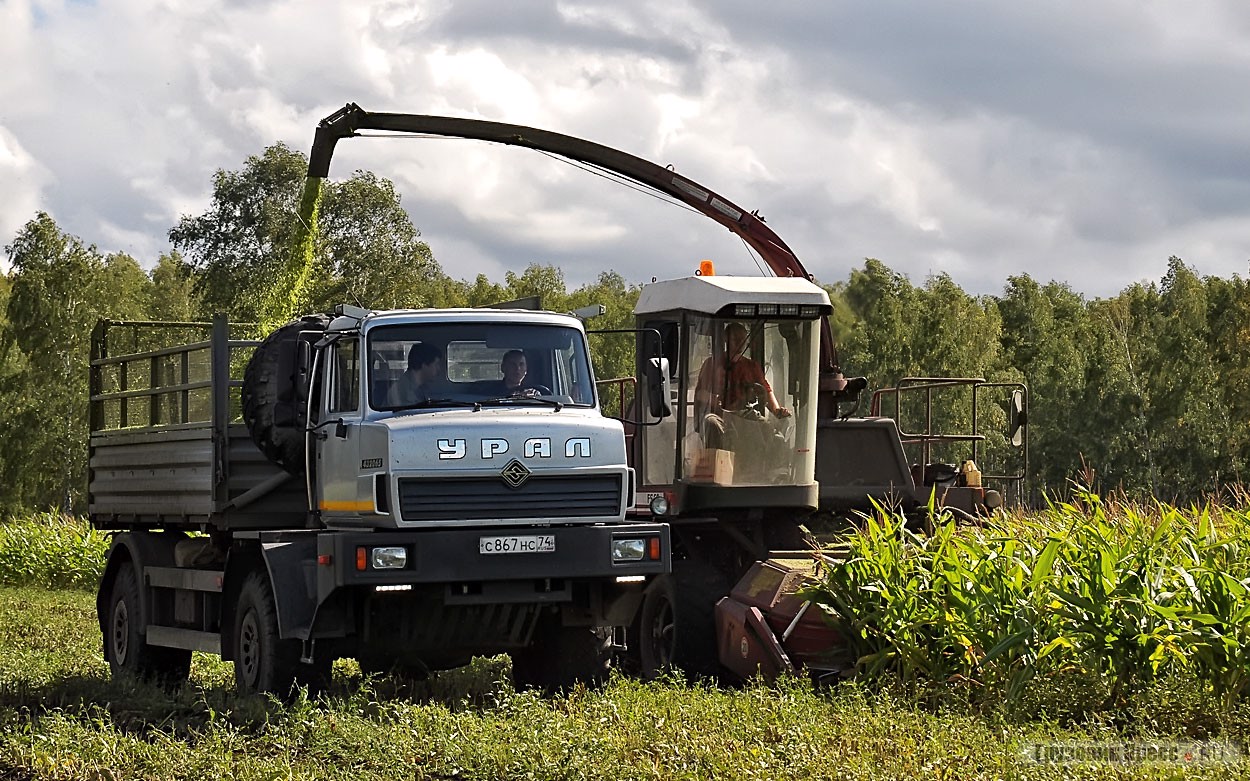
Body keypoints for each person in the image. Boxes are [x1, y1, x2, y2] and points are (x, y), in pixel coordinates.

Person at [694, 322, 789, 453]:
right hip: (720, 416)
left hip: (745, 415)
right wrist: (712, 399)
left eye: (743, 339)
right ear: (726, 339)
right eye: (736, 339)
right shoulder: (711, 364)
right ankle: (716, 465)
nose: (740, 342)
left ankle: (770, 471)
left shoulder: (752, 366)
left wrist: (777, 410)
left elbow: (766, 391)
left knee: (768, 430)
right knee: (711, 423)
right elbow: (699, 394)